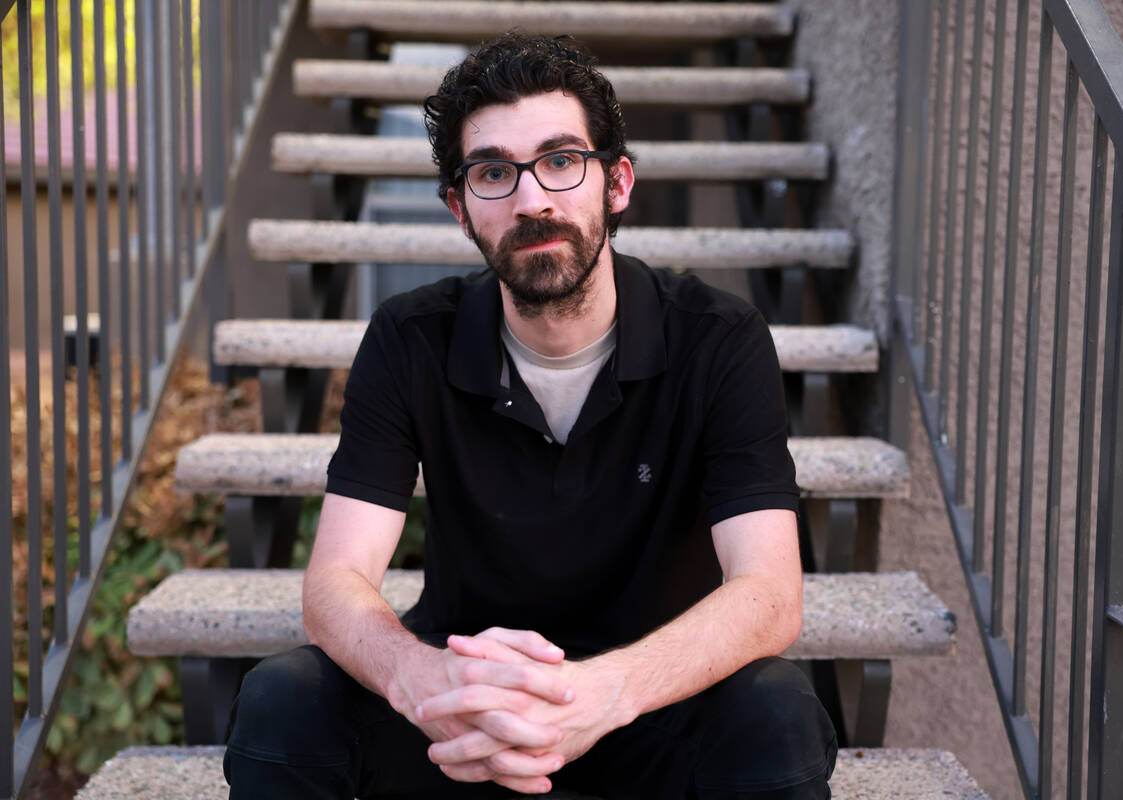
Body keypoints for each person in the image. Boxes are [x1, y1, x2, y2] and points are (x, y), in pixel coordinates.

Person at [224, 33, 837, 799]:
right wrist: (425, 678)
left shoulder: (719, 340)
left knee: (776, 713)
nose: (531, 199)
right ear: (459, 208)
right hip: (465, 714)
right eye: (492, 173)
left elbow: (770, 595)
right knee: (285, 700)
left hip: (648, 706)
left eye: (559, 161)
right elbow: (336, 582)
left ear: (616, 183)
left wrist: (603, 693)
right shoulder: (412, 339)